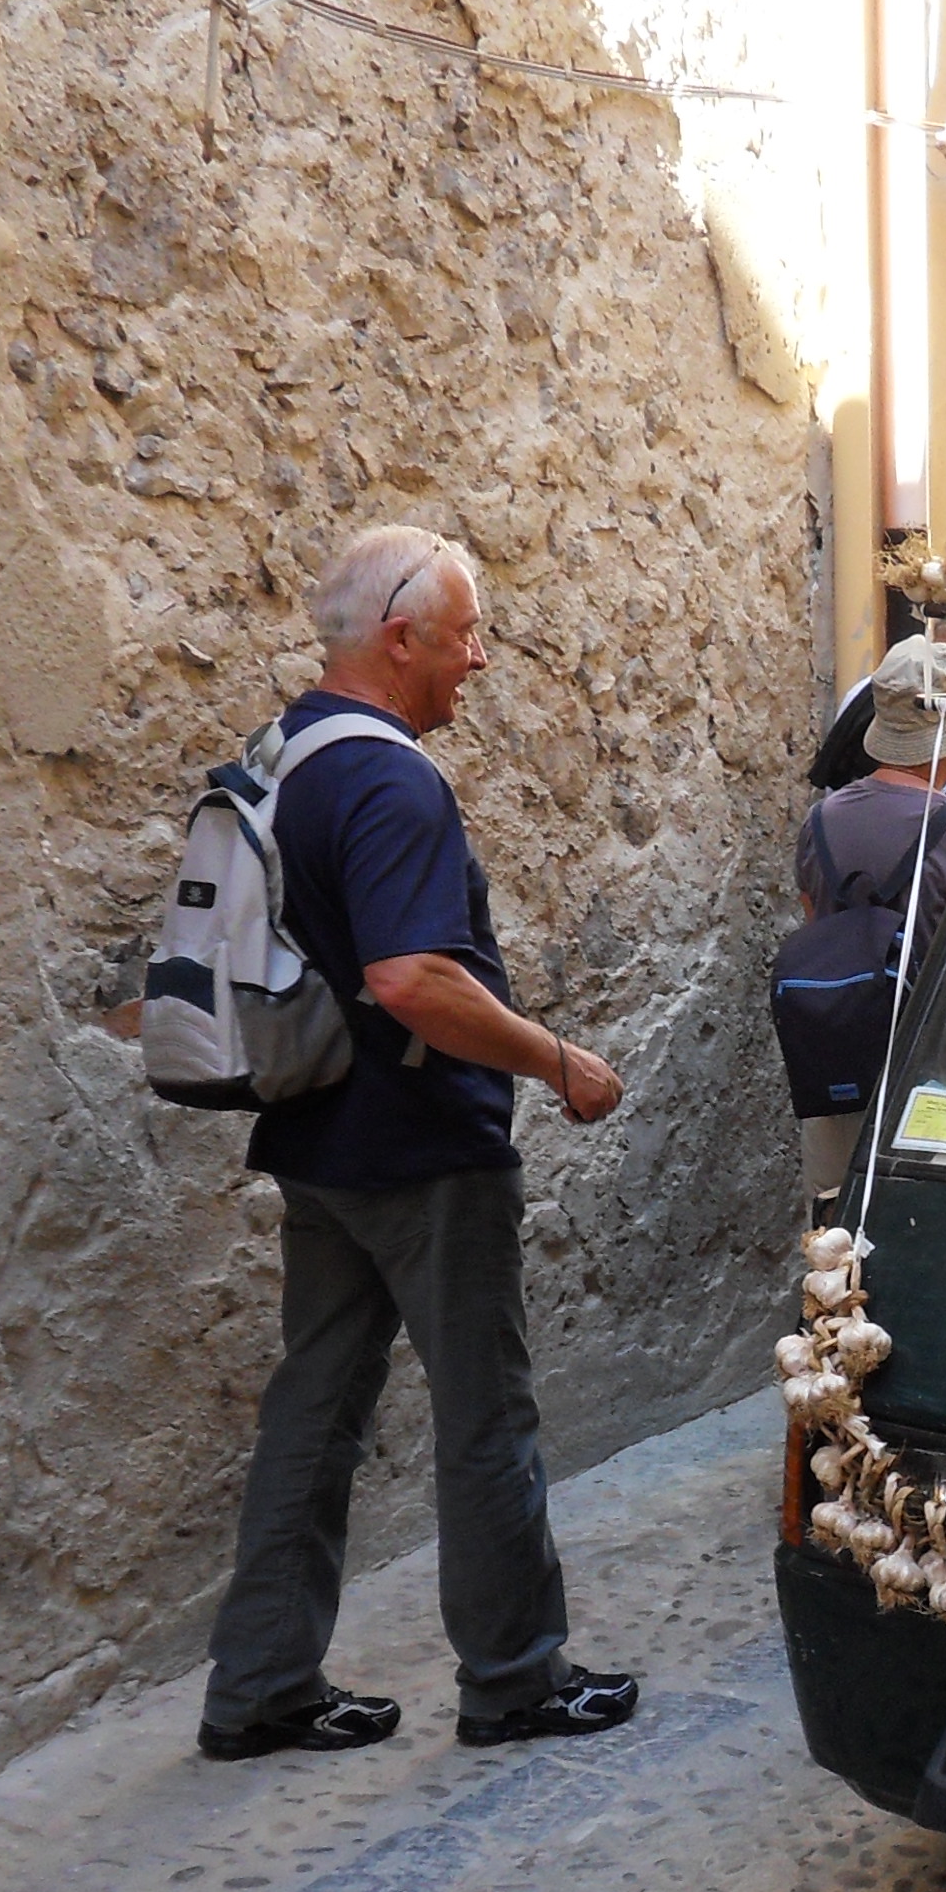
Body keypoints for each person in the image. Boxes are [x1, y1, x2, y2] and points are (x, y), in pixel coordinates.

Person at [199, 525, 641, 1764]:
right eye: (467, 635)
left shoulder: (286, 754)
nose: (481, 659)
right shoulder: (393, 782)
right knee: (486, 1416)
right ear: (402, 640)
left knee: (315, 1410)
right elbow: (409, 978)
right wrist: (556, 1059)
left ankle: (260, 1688)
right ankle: (515, 1678)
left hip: (320, 1138)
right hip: (424, 1150)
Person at [793, 640, 946, 1215]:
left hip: (842, 1066)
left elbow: (818, 929)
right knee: (931, 1223)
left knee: (840, 1226)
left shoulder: (820, 821)